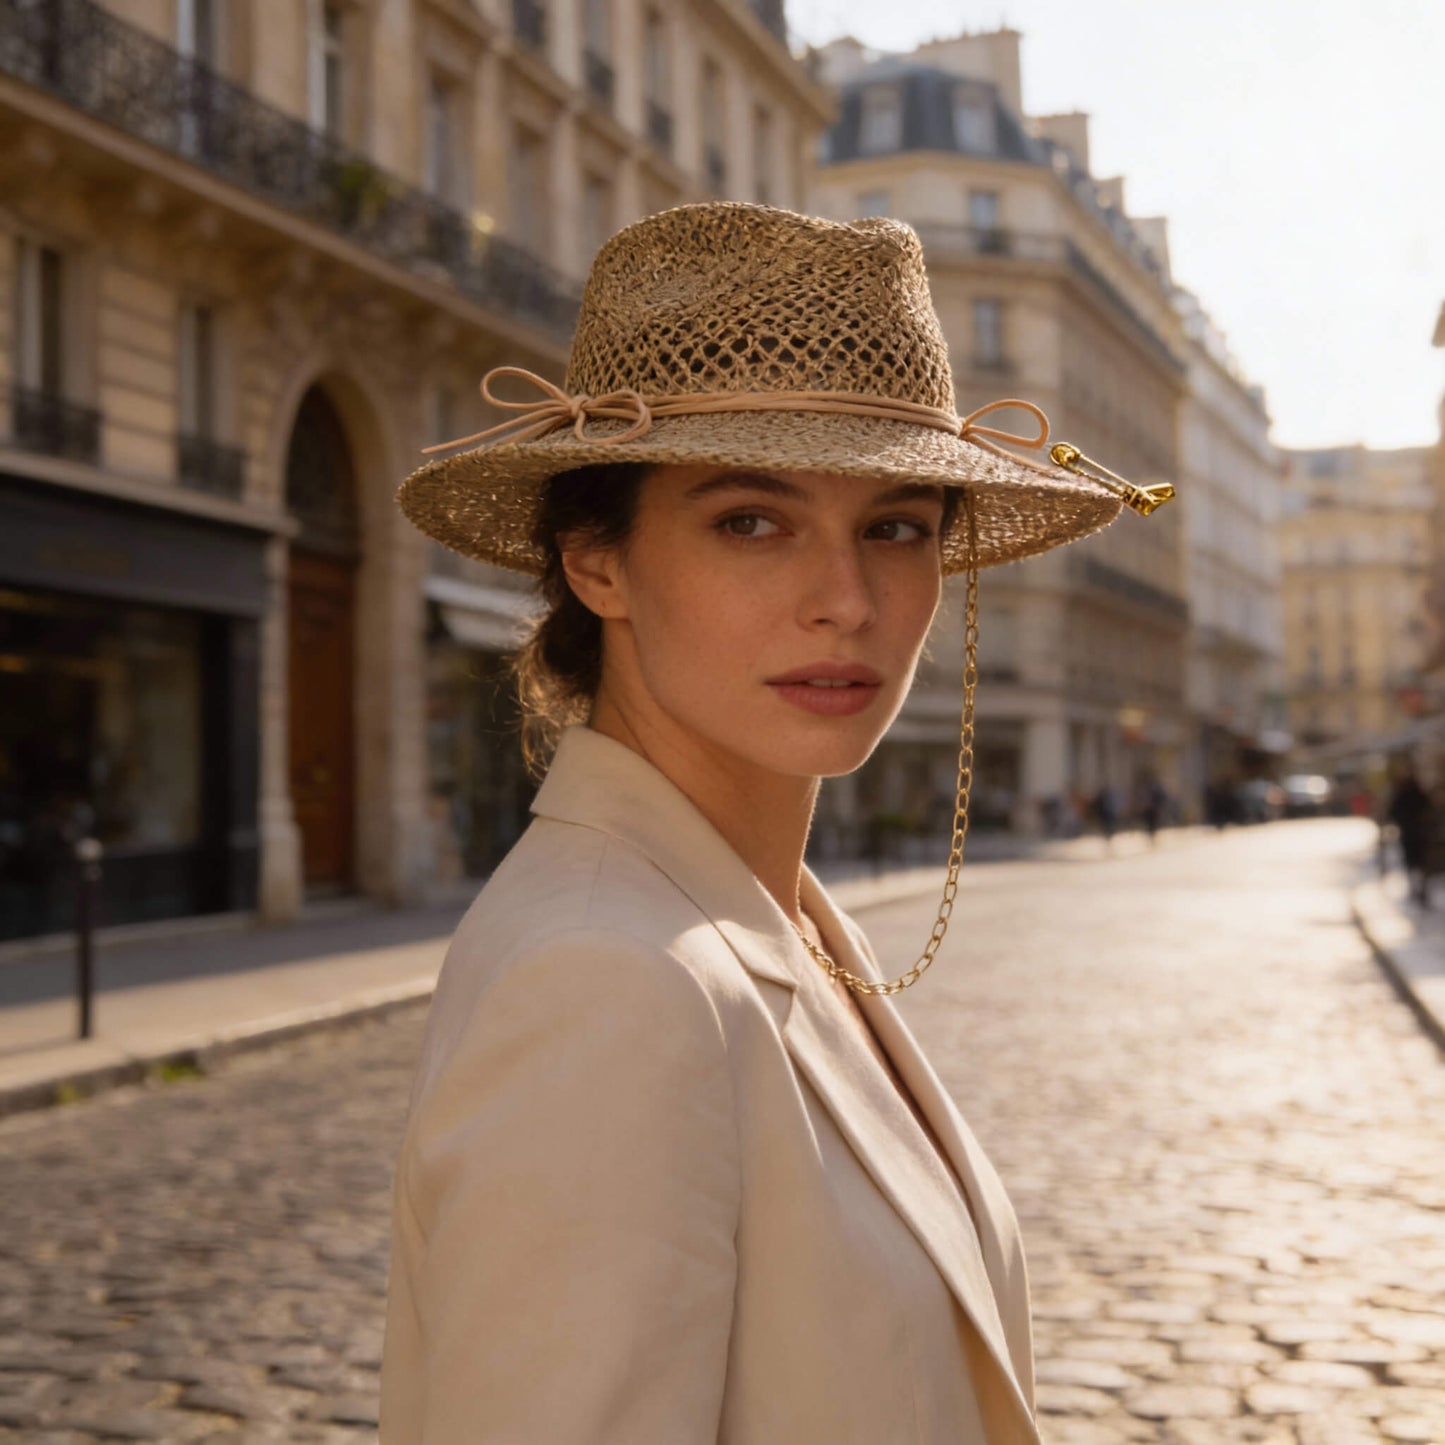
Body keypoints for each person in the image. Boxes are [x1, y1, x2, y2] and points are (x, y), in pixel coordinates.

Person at [378, 202, 1157, 1443]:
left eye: (893, 527)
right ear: (599, 563)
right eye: (751, 520)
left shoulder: (760, 915)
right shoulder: (608, 978)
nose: (843, 601)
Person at [1387, 766, 1434, 906]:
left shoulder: (1406, 793)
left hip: (1413, 833)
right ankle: (1418, 888)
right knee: (1417, 862)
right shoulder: (1412, 793)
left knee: (1414, 862)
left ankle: (1418, 888)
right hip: (1416, 833)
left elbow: (1393, 812)